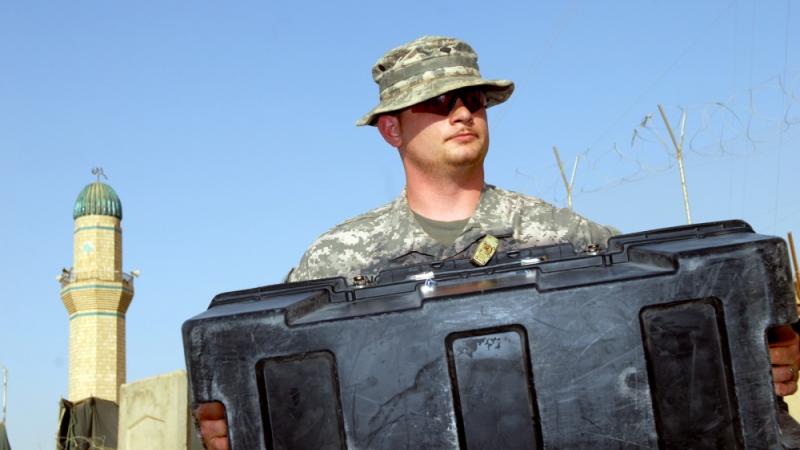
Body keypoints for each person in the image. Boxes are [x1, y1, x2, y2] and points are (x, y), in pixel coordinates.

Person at [195, 35, 800, 450]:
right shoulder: (336, 262)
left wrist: (763, 355)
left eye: (474, 99)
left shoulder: (570, 237)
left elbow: (671, 337)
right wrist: (233, 424)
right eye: (437, 102)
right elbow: (274, 387)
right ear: (391, 129)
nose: (463, 112)